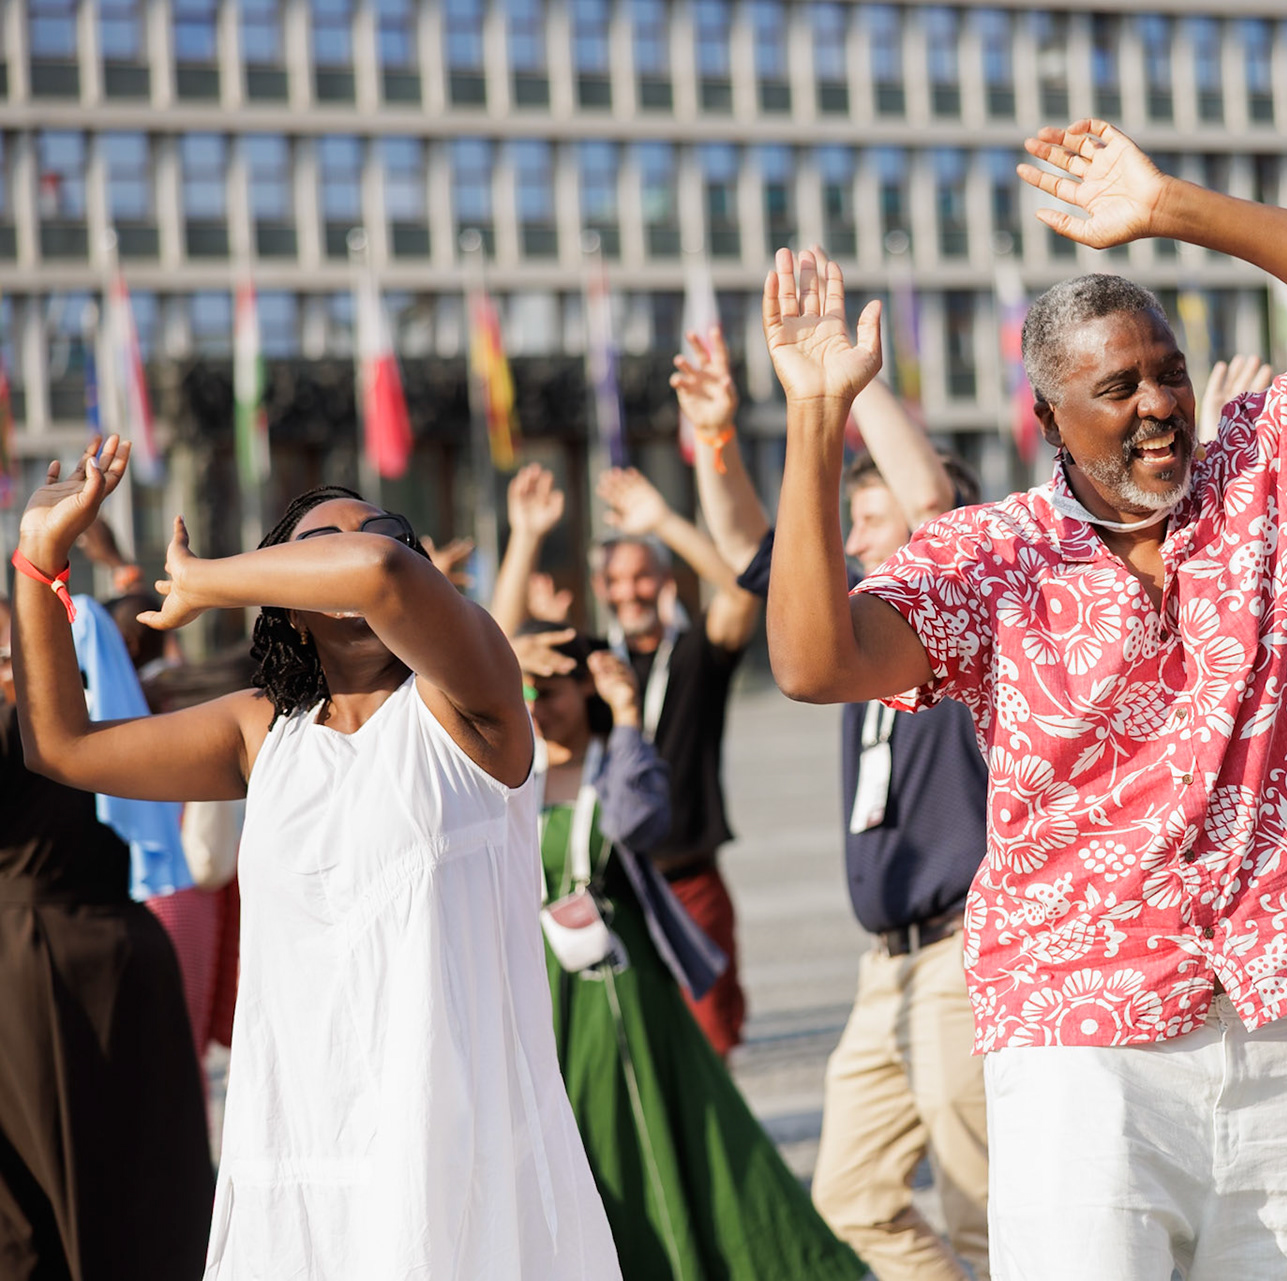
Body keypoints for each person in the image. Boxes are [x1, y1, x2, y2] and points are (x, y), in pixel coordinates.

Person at [761, 116, 1287, 1279]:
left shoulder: (1268, 473)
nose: (1159, 402)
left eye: (1168, 372)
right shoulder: (992, 556)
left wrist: (1172, 208)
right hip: (1080, 1044)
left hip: (1285, 1021)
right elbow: (816, 664)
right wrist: (818, 419)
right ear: (1051, 421)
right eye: (1117, 387)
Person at [10, 447, 618, 1278]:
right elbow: (61, 745)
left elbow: (377, 574)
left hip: (460, 1166)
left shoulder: (471, 704)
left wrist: (206, 577)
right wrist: (37, 557)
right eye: (318, 546)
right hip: (305, 1161)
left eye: (386, 529)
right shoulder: (263, 733)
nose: (363, 546)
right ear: (293, 611)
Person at [677, 322, 995, 1280]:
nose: (851, 539)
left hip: (959, 951)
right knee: (850, 1198)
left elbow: (929, 498)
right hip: (883, 967)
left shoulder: (963, 602)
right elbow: (748, 544)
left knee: (985, 1210)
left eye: (867, 519)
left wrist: (845, 388)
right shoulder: (854, 622)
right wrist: (715, 438)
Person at [517, 621, 868, 1281]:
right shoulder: (513, 773)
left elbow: (639, 822)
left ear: (587, 689)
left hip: (614, 986)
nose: (538, 708)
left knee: (635, 1129)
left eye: (553, 692)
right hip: (537, 989)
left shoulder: (613, 760)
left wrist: (626, 715)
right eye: (527, 692)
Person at [0, 584, 214, 1279]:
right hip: (126, 952)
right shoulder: (130, 715)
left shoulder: (24, 727)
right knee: (139, 1183)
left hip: (35, 963)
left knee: (37, 1200)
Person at [572, 462, 763, 1058]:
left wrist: (663, 523)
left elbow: (741, 591)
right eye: (615, 580)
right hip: (615, 888)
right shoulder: (593, 665)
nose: (629, 591)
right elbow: (506, 646)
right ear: (600, 588)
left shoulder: (696, 653)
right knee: (629, 1051)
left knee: (709, 1045)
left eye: (641, 576)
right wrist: (525, 540)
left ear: (665, 581)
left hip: (689, 881)